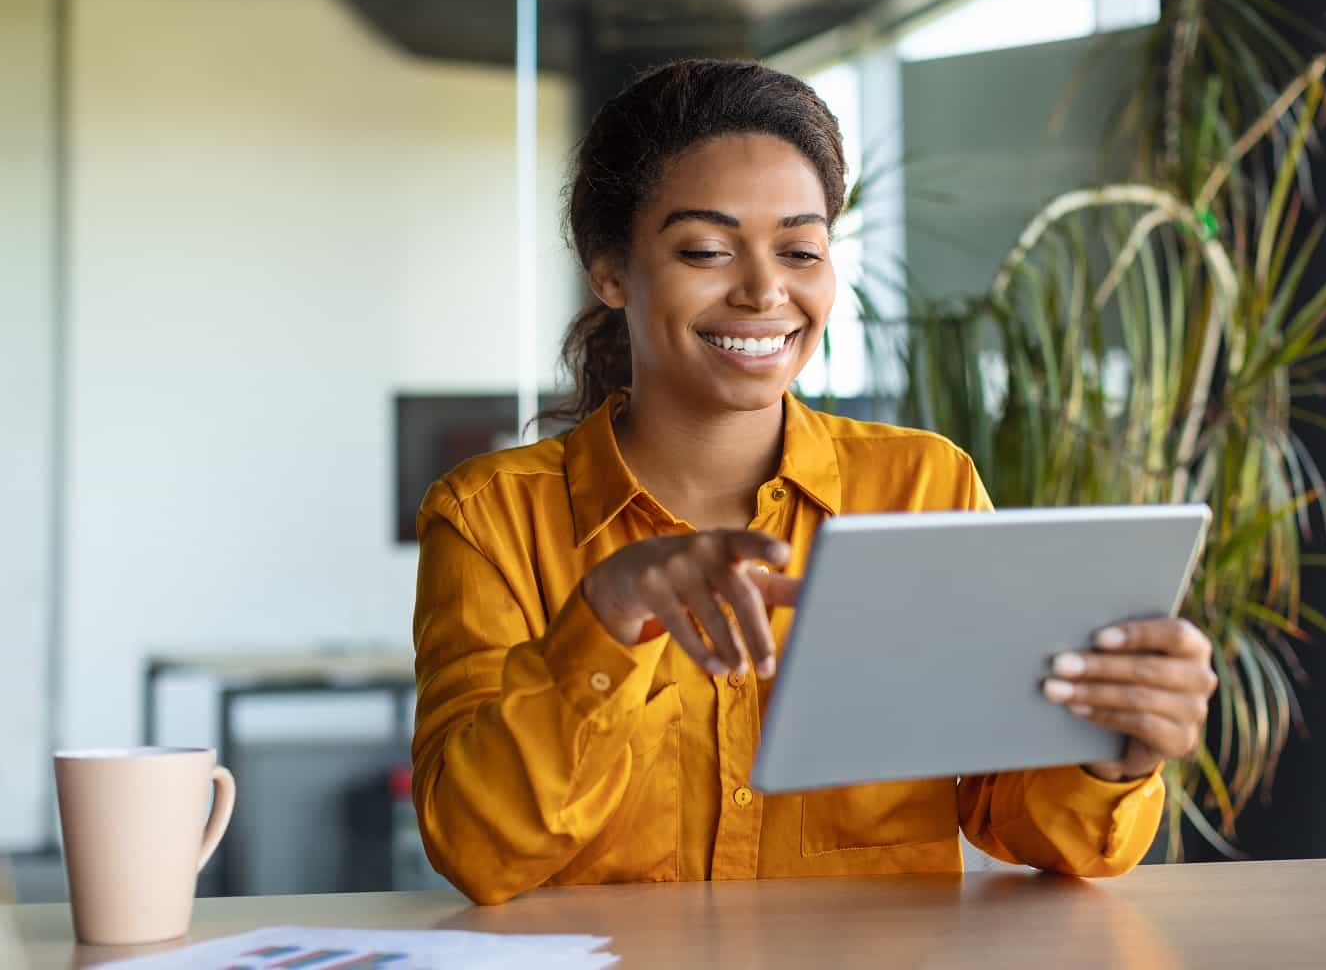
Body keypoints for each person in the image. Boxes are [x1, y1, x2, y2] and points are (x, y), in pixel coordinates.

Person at [411, 59, 1218, 905]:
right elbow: (476, 850)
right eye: (707, 250)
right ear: (610, 272)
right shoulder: (488, 517)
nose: (765, 291)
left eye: (800, 249)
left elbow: (1021, 820)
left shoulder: (921, 486)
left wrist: (1110, 749)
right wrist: (605, 622)